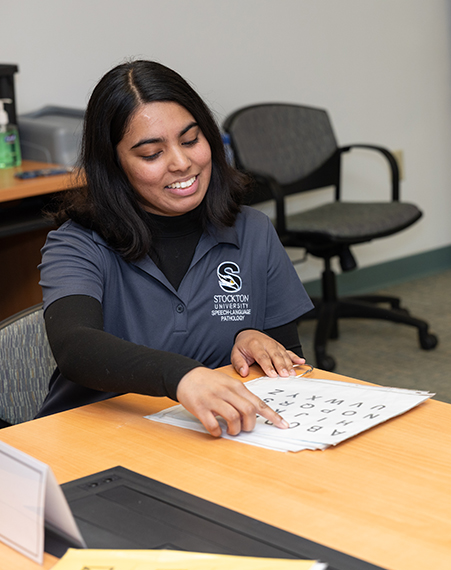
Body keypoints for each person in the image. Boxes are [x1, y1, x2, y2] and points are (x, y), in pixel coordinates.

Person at [37, 60, 315, 438]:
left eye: (190, 140)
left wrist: (254, 338)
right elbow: (75, 347)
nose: (183, 163)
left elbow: (288, 364)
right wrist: (181, 376)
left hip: (199, 437)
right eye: (152, 154)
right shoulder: (77, 243)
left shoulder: (252, 230)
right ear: (114, 165)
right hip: (94, 438)